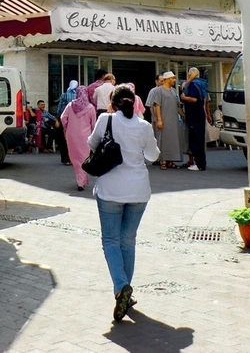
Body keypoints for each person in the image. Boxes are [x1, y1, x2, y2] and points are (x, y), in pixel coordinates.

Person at [88, 85, 159, 322]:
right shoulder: (144, 126)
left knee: (111, 240)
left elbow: (91, 144)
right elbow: (153, 156)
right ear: (135, 103)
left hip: (110, 189)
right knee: (128, 241)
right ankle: (126, 292)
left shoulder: (105, 120)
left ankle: (121, 287)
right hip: (138, 190)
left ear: (113, 102)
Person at [61, 81, 97, 191]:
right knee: (84, 157)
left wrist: (68, 126)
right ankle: (81, 181)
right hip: (85, 136)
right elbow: (94, 124)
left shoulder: (70, 105)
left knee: (75, 158)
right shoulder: (91, 107)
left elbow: (63, 118)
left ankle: (81, 180)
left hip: (71, 135)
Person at [147, 71, 183, 169]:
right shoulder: (158, 91)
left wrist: (183, 115)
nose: (174, 80)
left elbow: (177, 106)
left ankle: (171, 161)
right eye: (172, 78)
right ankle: (163, 160)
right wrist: (159, 119)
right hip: (164, 118)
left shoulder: (174, 91)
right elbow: (157, 105)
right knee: (163, 140)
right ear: (166, 79)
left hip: (173, 120)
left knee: (173, 140)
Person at [179, 68, 211, 171]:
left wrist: (184, 98)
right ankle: (201, 163)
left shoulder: (193, 85)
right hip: (200, 115)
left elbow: (194, 99)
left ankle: (199, 164)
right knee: (199, 140)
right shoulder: (201, 84)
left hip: (194, 116)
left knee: (195, 140)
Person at [54, 80, 78, 165]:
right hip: (75, 120)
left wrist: (57, 118)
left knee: (63, 140)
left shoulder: (64, 95)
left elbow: (60, 108)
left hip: (64, 119)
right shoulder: (79, 95)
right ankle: (73, 159)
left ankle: (66, 159)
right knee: (74, 140)